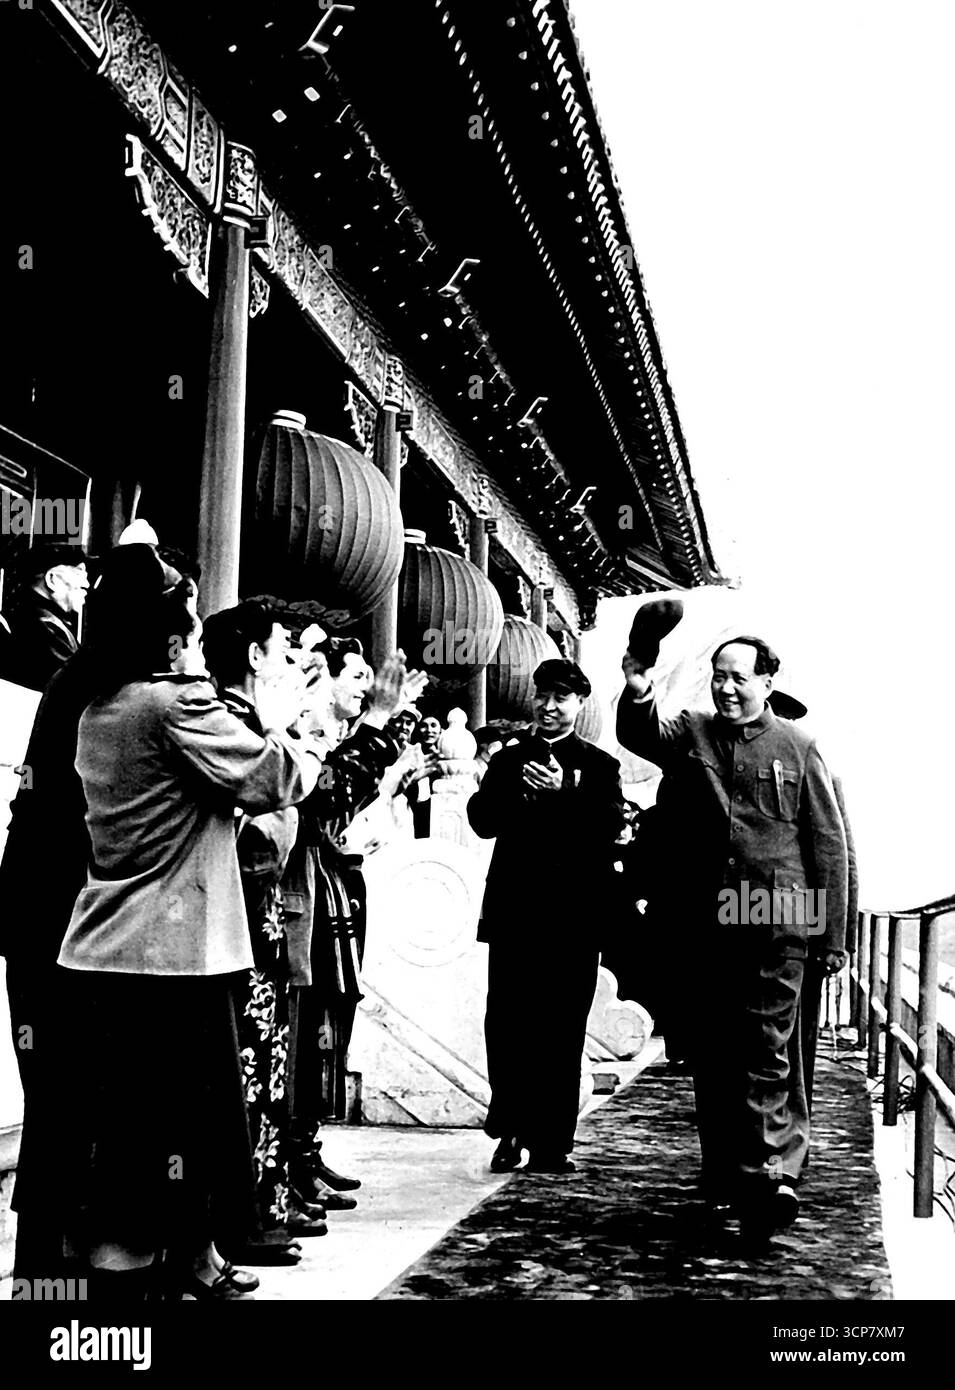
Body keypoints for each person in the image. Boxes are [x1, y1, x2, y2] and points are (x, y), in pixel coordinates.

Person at [55, 577, 324, 1299]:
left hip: (99, 953)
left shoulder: (96, 710)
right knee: (167, 1151)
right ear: (173, 644)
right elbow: (277, 779)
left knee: (119, 1156)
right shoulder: (178, 703)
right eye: (195, 632)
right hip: (175, 965)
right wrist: (285, 720)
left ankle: (123, 1310)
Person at [616, 613, 849, 1237]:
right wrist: (638, 679)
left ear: (768, 682)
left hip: (778, 919)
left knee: (765, 1047)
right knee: (716, 1052)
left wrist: (832, 938)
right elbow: (640, 733)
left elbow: (827, 843)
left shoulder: (799, 747)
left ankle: (770, 1176)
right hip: (708, 923)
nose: (726, 689)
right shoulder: (692, 732)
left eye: (739, 678)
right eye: (718, 677)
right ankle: (728, 1171)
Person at [0, 543, 183, 1281]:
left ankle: (46, 1275)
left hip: (54, 920)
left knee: (63, 1109)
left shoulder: (82, 681)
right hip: (68, 926)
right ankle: (56, 1281)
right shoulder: (106, 693)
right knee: (72, 1109)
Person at [201, 601, 327, 1266]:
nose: (290, 669)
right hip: (237, 913)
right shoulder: (229, 722)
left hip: (260, 914)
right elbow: (259, 837)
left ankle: (264, 1207)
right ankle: (244, 1217)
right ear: (253, 658)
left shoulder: (248, 722)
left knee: (266, 1061)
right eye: (282, 653)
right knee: (247, 1067)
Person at [467, 658, 626, 1175]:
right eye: (543, 695)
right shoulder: (510, 759)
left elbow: (607, 833)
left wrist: (565, 796)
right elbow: (482, 821)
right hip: (516, 913)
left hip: (574, 919)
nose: (549, 706)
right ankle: (510, 1128)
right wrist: (516, 790)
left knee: (561, 1027)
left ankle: (553, 1142)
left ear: (580, 705)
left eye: (562, 697)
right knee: (509, 1023)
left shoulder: (601, 768)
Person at [287, 636, 427, 1202]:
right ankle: (289, 1160)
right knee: (304, 1033)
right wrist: (383, 731)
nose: (365, 684)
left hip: (338, 889)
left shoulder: (338, 740)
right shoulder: (303, 740)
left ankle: (303, 1149)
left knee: (329, 1027)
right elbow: (332, 805)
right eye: (354, 673)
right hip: (311, 893)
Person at [768, 689, 859, 1115]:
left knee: (797, 1036)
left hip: (798, 920)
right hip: (744, 914)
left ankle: (790, 1124)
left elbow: (841, 860)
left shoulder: (817, 772)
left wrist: (837, 939)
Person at [0, 543, 89, 691]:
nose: (86, 583)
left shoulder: (28, 615)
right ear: (52, 579)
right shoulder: (44, 625)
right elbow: (77, 686)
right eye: (79, 571)